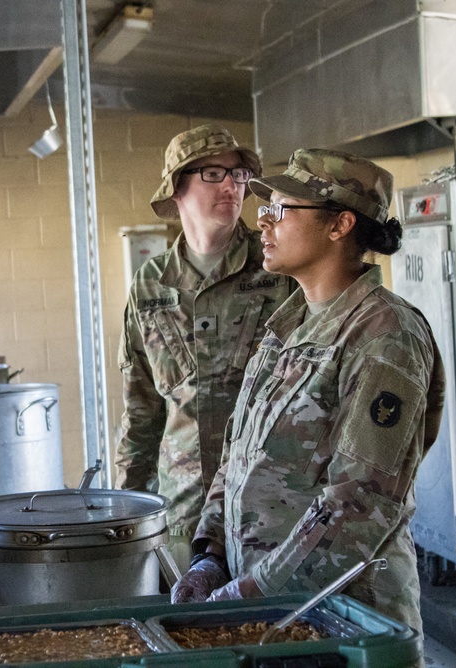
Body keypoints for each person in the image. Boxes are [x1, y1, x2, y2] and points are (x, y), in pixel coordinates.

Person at [171, 148, 445, 637]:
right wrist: (208, 557)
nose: (263, 223)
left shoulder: (385, 336)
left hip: (343, 619)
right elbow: (238, 456)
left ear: (339, 225)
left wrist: (253, 594)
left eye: (280, 210)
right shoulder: (289, 325)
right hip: (270, 616)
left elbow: (360, 502)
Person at [115, 124, 294, 571]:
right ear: (177, 188)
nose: (231, 185)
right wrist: (120, 514)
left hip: (268, 511)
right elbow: (142, 411)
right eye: (213, 173)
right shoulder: (150, 284)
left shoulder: (279, 268)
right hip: (183, 513)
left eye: (238, 175)